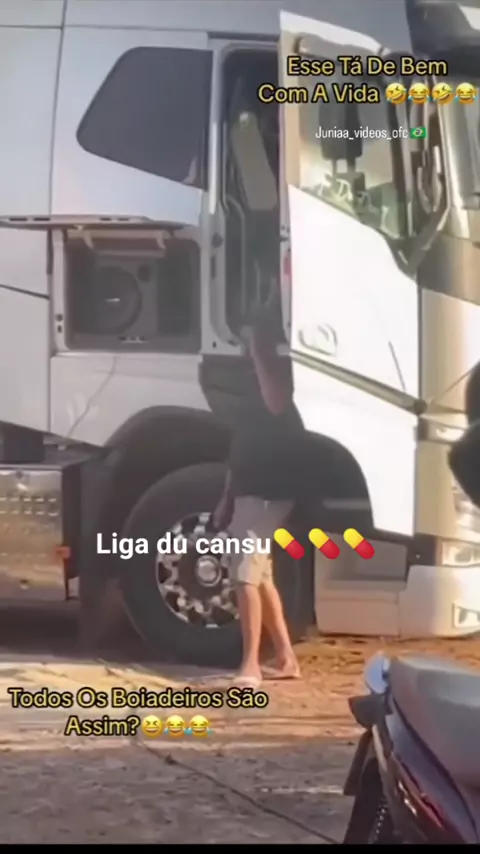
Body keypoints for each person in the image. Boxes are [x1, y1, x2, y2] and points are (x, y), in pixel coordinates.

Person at [213, 294, 307, 688]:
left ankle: (250, 664)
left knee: (244, 578)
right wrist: (227, 497)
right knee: (260, 575)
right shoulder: (249, 387)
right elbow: (238, 449)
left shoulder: (276, 373)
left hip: (269, 491)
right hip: (249, 491)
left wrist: (259, 351)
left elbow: (277, 402)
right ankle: (285, 657)